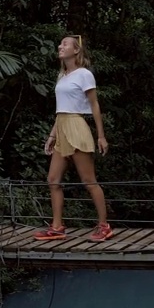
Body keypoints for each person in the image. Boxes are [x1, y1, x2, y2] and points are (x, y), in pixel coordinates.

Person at [34, 34, 112, 241]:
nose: (60, 46)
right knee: (53, 179)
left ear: (76, 50)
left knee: (88, 180)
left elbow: (94, 105)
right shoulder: (63, 76)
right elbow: (61, 109)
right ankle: (57, 226)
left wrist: (101, 136)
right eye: (60, 43)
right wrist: (52, 135)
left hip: (77, 126)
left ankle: (104, 225)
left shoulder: (84, 74)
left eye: (65, 44)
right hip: (61, 127)